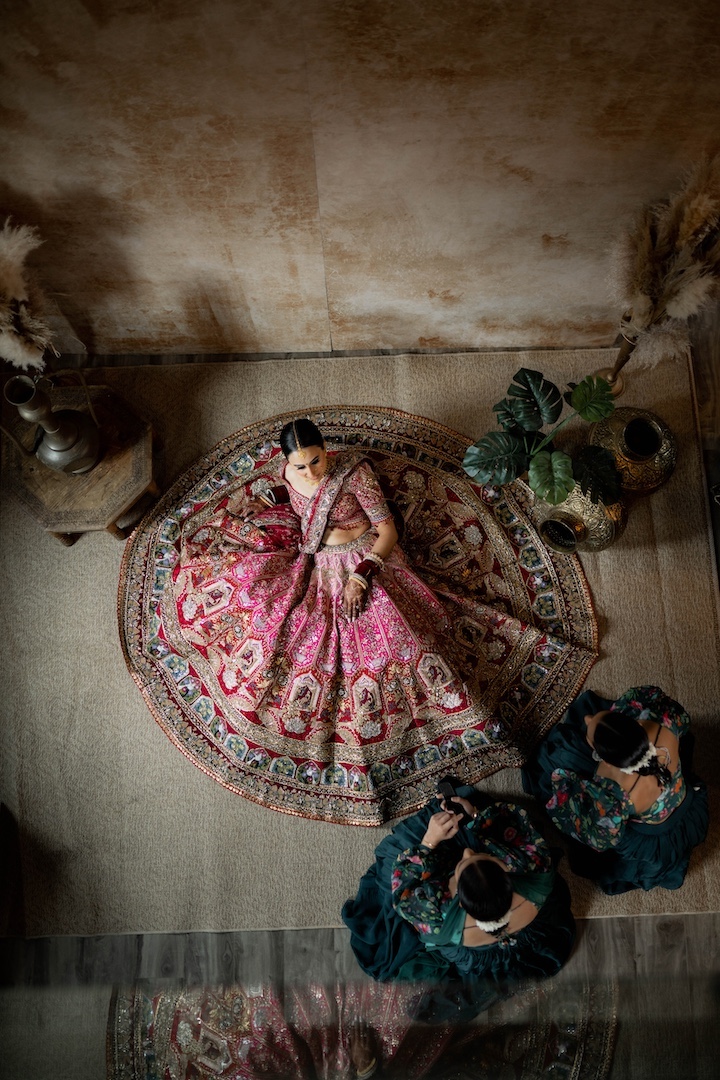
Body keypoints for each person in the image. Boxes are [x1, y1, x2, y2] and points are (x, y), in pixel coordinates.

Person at [171, 415, 596, 824]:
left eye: (316, 460)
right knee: (271, 620)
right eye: (300, 466)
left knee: (397, 640)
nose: (311, 471)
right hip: (318, 563)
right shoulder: (289, 473)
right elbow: (301, 499)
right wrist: (277, 498)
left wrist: (362, 575)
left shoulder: (355, 475)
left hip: (368, 557)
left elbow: (388, 532)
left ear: (326, 449)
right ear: (287, 462)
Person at [341, 783, 575, 1022]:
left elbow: (403, 890)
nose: (467, 853)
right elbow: (515, 825)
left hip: (475, 951)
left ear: (458, 903)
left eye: (462, 864)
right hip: (528, 932)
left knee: (396, 855)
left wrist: (429, 842)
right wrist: (475, 815)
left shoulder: (437, 920)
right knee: (483, 821)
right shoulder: (536, 871)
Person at [521, 685, 709, 893]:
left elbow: (599, 835)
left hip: (653, 838)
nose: (587, 719)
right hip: (686, 804)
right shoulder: (660, 722)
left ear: (608, 761)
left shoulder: (610, 782)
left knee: (557, 761)